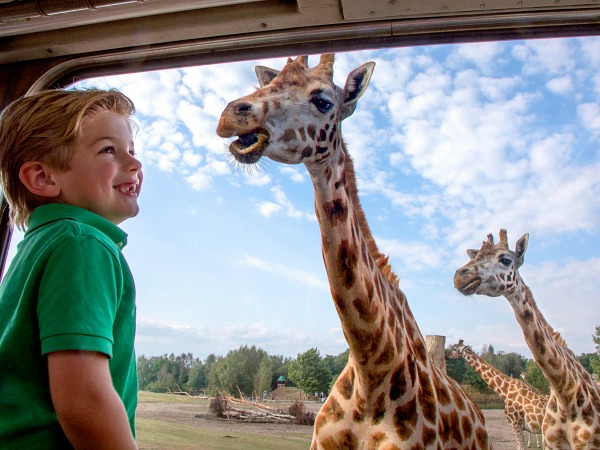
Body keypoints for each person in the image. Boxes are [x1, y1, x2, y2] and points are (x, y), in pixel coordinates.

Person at [0, 88, 142, 449]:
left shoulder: (40, 244)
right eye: (109, 150)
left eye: (133, 151)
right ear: (42, 178)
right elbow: (84, 399)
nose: (134, 164)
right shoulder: (83, 244)